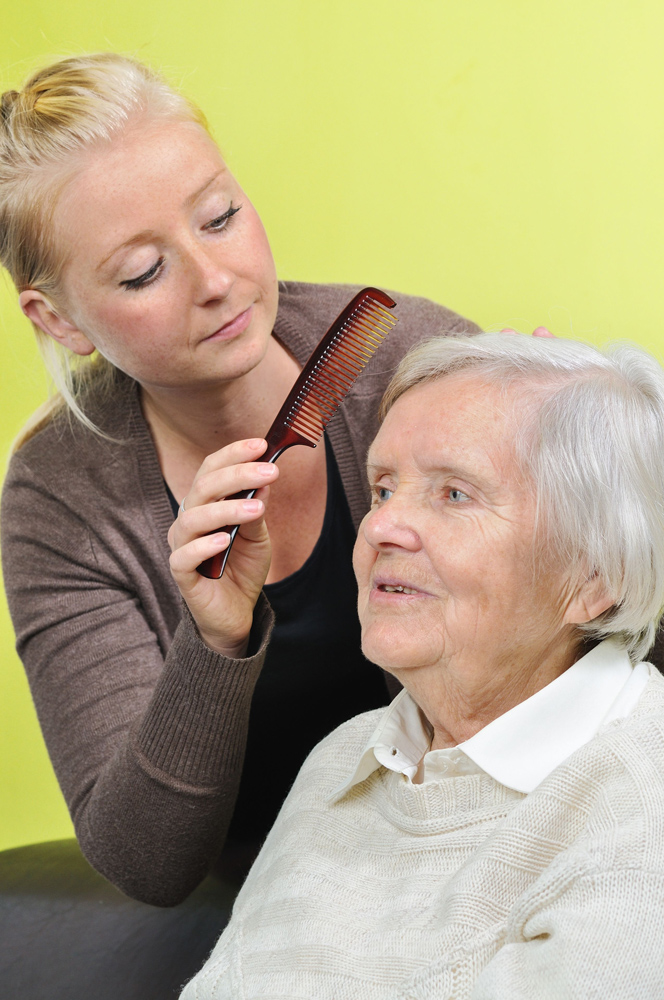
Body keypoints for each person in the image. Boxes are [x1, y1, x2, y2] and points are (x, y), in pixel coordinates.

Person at [0, 54, 483, 905]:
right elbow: (146, 863)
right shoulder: (60, 505)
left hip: (479, 845)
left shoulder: (405, 360)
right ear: (58, 319)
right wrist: (215, 641)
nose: (216, 281)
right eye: (144, 272)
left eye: (220, 217)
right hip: (271, 899)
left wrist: (592, 503)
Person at [181, 332, 664, 999]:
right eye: (382, 490)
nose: (381, 528)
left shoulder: (639, 809)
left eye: (455, 495)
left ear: (595, 575)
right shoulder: (344, 759)